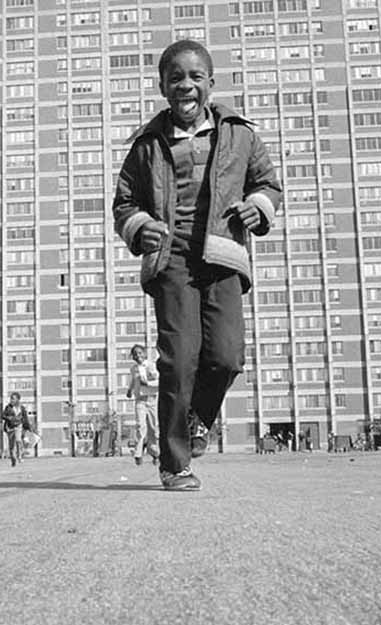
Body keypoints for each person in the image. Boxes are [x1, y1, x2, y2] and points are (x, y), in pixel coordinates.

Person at [113, 40, 282, 490]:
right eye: (175, 78)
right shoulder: (147, 144)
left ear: (210, 82)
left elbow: (268, 183)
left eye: (194, 77)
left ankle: (195, 422)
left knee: (226, 357)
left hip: (223, 255)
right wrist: (139, 225)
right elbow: (124, 203)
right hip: (172, 260)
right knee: (179, 359)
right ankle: (174, 463)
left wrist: (257, 206)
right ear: (162, 86)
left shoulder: (240, 134)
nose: (185, 85)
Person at [126, 344, 159, 466]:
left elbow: (158, 381)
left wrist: (148, 383)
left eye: (140, 353)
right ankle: (138, 454)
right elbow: (133, 380)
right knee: (140, 425)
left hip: (151, 400)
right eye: (135, 354)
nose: (138, 356)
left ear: (144, 354)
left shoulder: (151, 366)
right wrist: (129, 390)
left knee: (153, 428)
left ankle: (155, 453)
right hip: (140, 400)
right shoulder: (133, 369)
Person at [1, 392, 30, 467]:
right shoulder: (8, 407)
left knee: (18, 440)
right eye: (11, 398)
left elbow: (25, 418)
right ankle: (13, 459)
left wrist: (28, 427)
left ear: (17, 399)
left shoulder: (22, 408)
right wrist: (9, 418)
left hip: (18, 426)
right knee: (11, 446)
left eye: (13, 398)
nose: (11, 400)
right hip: (10, 428)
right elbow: (3, 416)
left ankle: (19, 456)